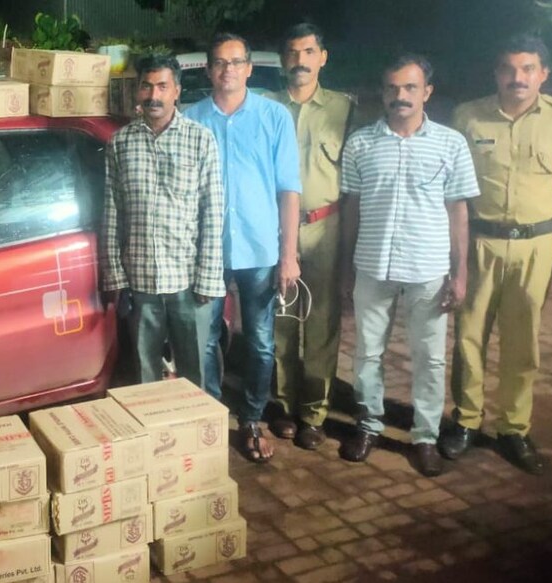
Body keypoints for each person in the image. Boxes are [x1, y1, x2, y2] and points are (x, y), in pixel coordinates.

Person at [444, 34, 552, 474]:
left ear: (544, 74)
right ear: (496, 74)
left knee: (522, 341)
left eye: (528, 69)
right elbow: (450, 189)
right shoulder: (468, 117)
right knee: (468, 338)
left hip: (537, 245)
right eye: (508, 69)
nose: (517, 78)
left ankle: (513, 428)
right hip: (479, 242)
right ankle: (466, 421)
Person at [338, 54, 478, 477]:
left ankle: (425, 436)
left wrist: (461, 270)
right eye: (392, 88)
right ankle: (369, 425)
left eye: (410, 88)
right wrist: (346, 265)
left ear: (427, 92)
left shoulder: (451, 144)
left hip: (429, 268)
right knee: (366, 354)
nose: (400, 96)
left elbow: (458, 211)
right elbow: (352, 209)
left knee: (430, 358)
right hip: (372, 264)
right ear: (383, 92)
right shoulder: (361, 143)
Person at [184, 32, 302, 463]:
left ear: (249, 68)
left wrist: (288, 254)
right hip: (207, 253)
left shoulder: (274, 118)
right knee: (205, 340)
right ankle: (211, 416)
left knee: (260, 341)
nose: (227, 70)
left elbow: (289, 190)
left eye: (236, 62)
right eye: (219, 62)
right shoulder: (192, 119)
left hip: (259, 251)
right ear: (209, 69)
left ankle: (251, 417)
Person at [101, 54, 224, 388]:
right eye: (146, 86)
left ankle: (196, 439)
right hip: (140, 284)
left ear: (176, 92)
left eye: (162, 86)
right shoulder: (121, 143)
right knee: (145, 376)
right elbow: (112, 212)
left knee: (195, 372)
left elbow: (213, 213)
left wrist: (209, 280)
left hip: (188, 284)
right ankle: (154, 438)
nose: (153, 95)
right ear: (138, 91)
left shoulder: (201, 140)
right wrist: (116, 276)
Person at [270, 23, 354, 450]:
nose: (299, 60)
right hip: (277, 228)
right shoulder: (266, 107)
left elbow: (354, 181)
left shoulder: (345, 109)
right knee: (282, 319)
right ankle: (284, 405)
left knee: (321, 322)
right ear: (283, 59)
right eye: (292, 51)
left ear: (323, 57)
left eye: (308, 51)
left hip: (326, 227)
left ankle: (314, 414)